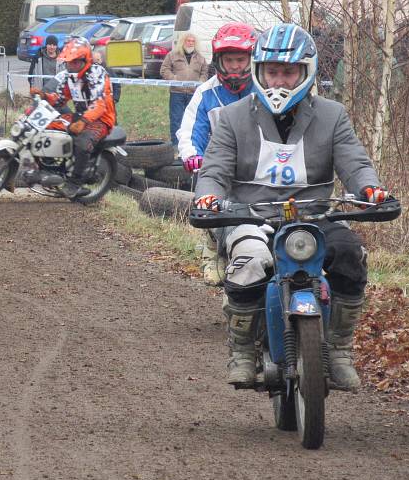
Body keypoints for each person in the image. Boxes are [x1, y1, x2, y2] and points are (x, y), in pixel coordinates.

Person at [193, 23, 389, 391]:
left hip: (316, 214)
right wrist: (209, 196)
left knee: (349, 253)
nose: (279, 80)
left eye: (288, 71)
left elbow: (354, 162)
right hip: (248, 215)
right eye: (272, 71)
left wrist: (370, 189)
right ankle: (242, 352)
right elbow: (214, 167)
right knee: (249, 262)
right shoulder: (234, 117)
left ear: (306, 71)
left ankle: (341, 349)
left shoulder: (332, 115)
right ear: (259, 71)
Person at [177, 23, 258, 285]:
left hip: (261, 165)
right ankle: (212, 252)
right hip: (219, 167)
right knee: (212, 206)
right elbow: (190, 130)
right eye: (229, 60)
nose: (235, 66)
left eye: (240, 59)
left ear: (251, 59)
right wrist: (192, 154)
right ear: (218, 61)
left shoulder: (263, 91)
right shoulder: (206, 93)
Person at [30, 37, 116, 198]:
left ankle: (75, 183)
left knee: (82, 143)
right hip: (79, 116)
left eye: (75, 62)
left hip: (101, 119)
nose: (71, 65)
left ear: (85, 60)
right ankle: (44, 167)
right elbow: (61, 98)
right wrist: (44, 96)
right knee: (45, 128)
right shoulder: (71, 77)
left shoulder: (97, 74)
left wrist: (83, 121)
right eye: (69, 62)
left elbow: (100, 104)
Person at [160, 32, 209, 145]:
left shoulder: (200, 58)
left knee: (192, 120)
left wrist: (201, 82)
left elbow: (205, 72)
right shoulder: (172, 55)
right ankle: (176, 145)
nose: (191, 43)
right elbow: (164, 69)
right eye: (188, 40)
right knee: (176, 120)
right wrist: (173, 78)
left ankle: (192, 144)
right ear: (183, 42)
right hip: (177, 93)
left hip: (194, 93)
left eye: (193, 41)